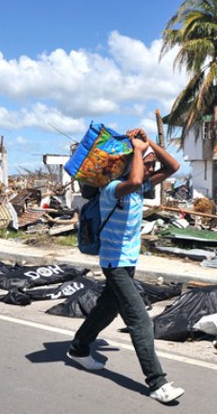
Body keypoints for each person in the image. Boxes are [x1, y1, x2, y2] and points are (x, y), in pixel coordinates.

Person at [67, 128, 184, 404]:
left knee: (106, 309)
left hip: (127, 262)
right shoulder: (113, 190)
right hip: (114, 263)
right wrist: (137, 150)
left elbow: (174, 166)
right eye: (147, 162)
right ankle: (157, 382)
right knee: (139, 318)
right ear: (132, 162)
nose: (152, 166)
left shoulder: (140, 187)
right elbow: (133, 179)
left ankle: (79, 348)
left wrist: (147, 143)